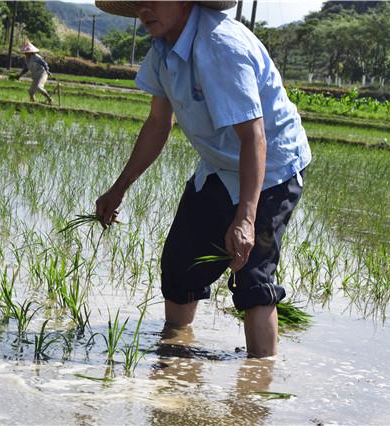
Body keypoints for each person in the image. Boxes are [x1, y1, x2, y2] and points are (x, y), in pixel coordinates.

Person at [94, 1, 311, 358]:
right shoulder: (163, 47)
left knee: (252, 275)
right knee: (180, 264)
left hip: (272, 165)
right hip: (218, 163)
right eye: (138, 2)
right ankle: (176, 355)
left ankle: (259, 386)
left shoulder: (220, 46)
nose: (144, 9)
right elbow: (158, 124)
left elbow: (254, 138)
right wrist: (118, 189)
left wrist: (245, 216)